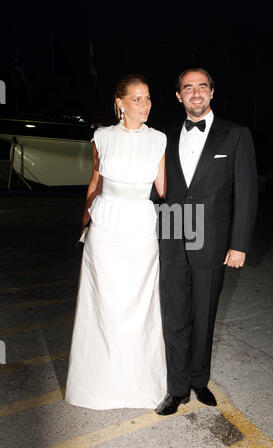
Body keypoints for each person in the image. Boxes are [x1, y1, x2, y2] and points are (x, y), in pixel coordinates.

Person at [156, 67, 258, 415]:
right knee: (174, 314)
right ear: (178, 96)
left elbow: (246, 193)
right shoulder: (164, 136)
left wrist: (239, 244)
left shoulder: (236, 134)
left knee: (204, 313)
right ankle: (177, 387)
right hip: (171, 228)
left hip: (211, 237)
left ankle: (199, 379)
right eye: (188, 88)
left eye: (202, 87)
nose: (195, 93)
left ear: (212, 92)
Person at [65, 74, 167, 410]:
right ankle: (98, 386)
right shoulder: (101, 137)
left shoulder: (159, 140)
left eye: (148, 98)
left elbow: (165, 191)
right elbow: (95, 180)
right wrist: (85, 223)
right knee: (102, 306)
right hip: (106, 225)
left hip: (140, 226)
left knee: (140, 307)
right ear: (119, 103)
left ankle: (140, 386)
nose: (145, 105)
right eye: (137, 99)